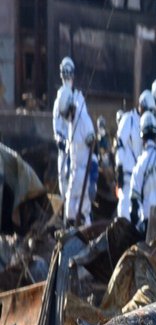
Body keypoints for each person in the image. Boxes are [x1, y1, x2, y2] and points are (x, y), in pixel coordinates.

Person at [59, 84, 95, 227]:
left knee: (84, 213)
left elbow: (94, 151)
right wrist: (68, 168)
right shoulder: (70, 125)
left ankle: (87, 240)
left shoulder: (84, 121)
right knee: (70, 211)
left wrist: (93, 180)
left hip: (85, 172)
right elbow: (71, 150)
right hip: (75, 174)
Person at [116, 90, 153, 221]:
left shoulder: (147, 122)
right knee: (125, 206)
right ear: (141, 106)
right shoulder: (128, 120)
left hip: (140, 174)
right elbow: (120, 145)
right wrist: (119, 167)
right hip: (127, 172)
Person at [53, 56, 76, 204]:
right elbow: (56, 128)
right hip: (64, 152)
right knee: (64, 189)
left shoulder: (77, 98)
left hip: (74, 152)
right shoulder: (59, 101)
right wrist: (61, 141)